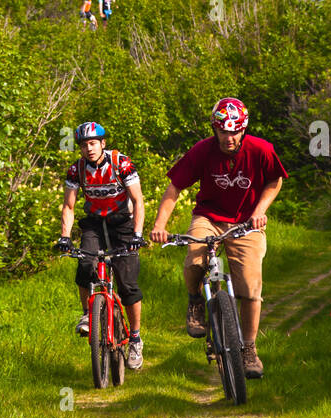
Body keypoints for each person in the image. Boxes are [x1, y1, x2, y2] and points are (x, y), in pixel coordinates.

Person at [149, 97, 287, 379]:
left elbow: (275, 179)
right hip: (209, 218)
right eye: (223, 131)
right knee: (195, 257)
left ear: (244, 129)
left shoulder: (261, 149)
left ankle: (249, 349)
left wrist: (260, 211)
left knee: (249, 287)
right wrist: (159, 225)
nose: (229, 137)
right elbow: (174, 188)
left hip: (247, 223)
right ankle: (195, 300)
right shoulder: (202, 151)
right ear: (215, 129)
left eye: (235, 130)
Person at [57, 120, 146, 370]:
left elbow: (138, 201)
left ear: (103, 143)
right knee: (85, 265)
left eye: (93, 143)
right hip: (95, 223)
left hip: (122, 224)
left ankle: (136, 339)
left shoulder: (121, 163)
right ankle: (89, 314)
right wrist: (65, 237)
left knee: (128, 285)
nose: (89, 148)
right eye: (84, 145)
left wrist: (138, 234)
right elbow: (69, 206)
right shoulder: (77, 170)